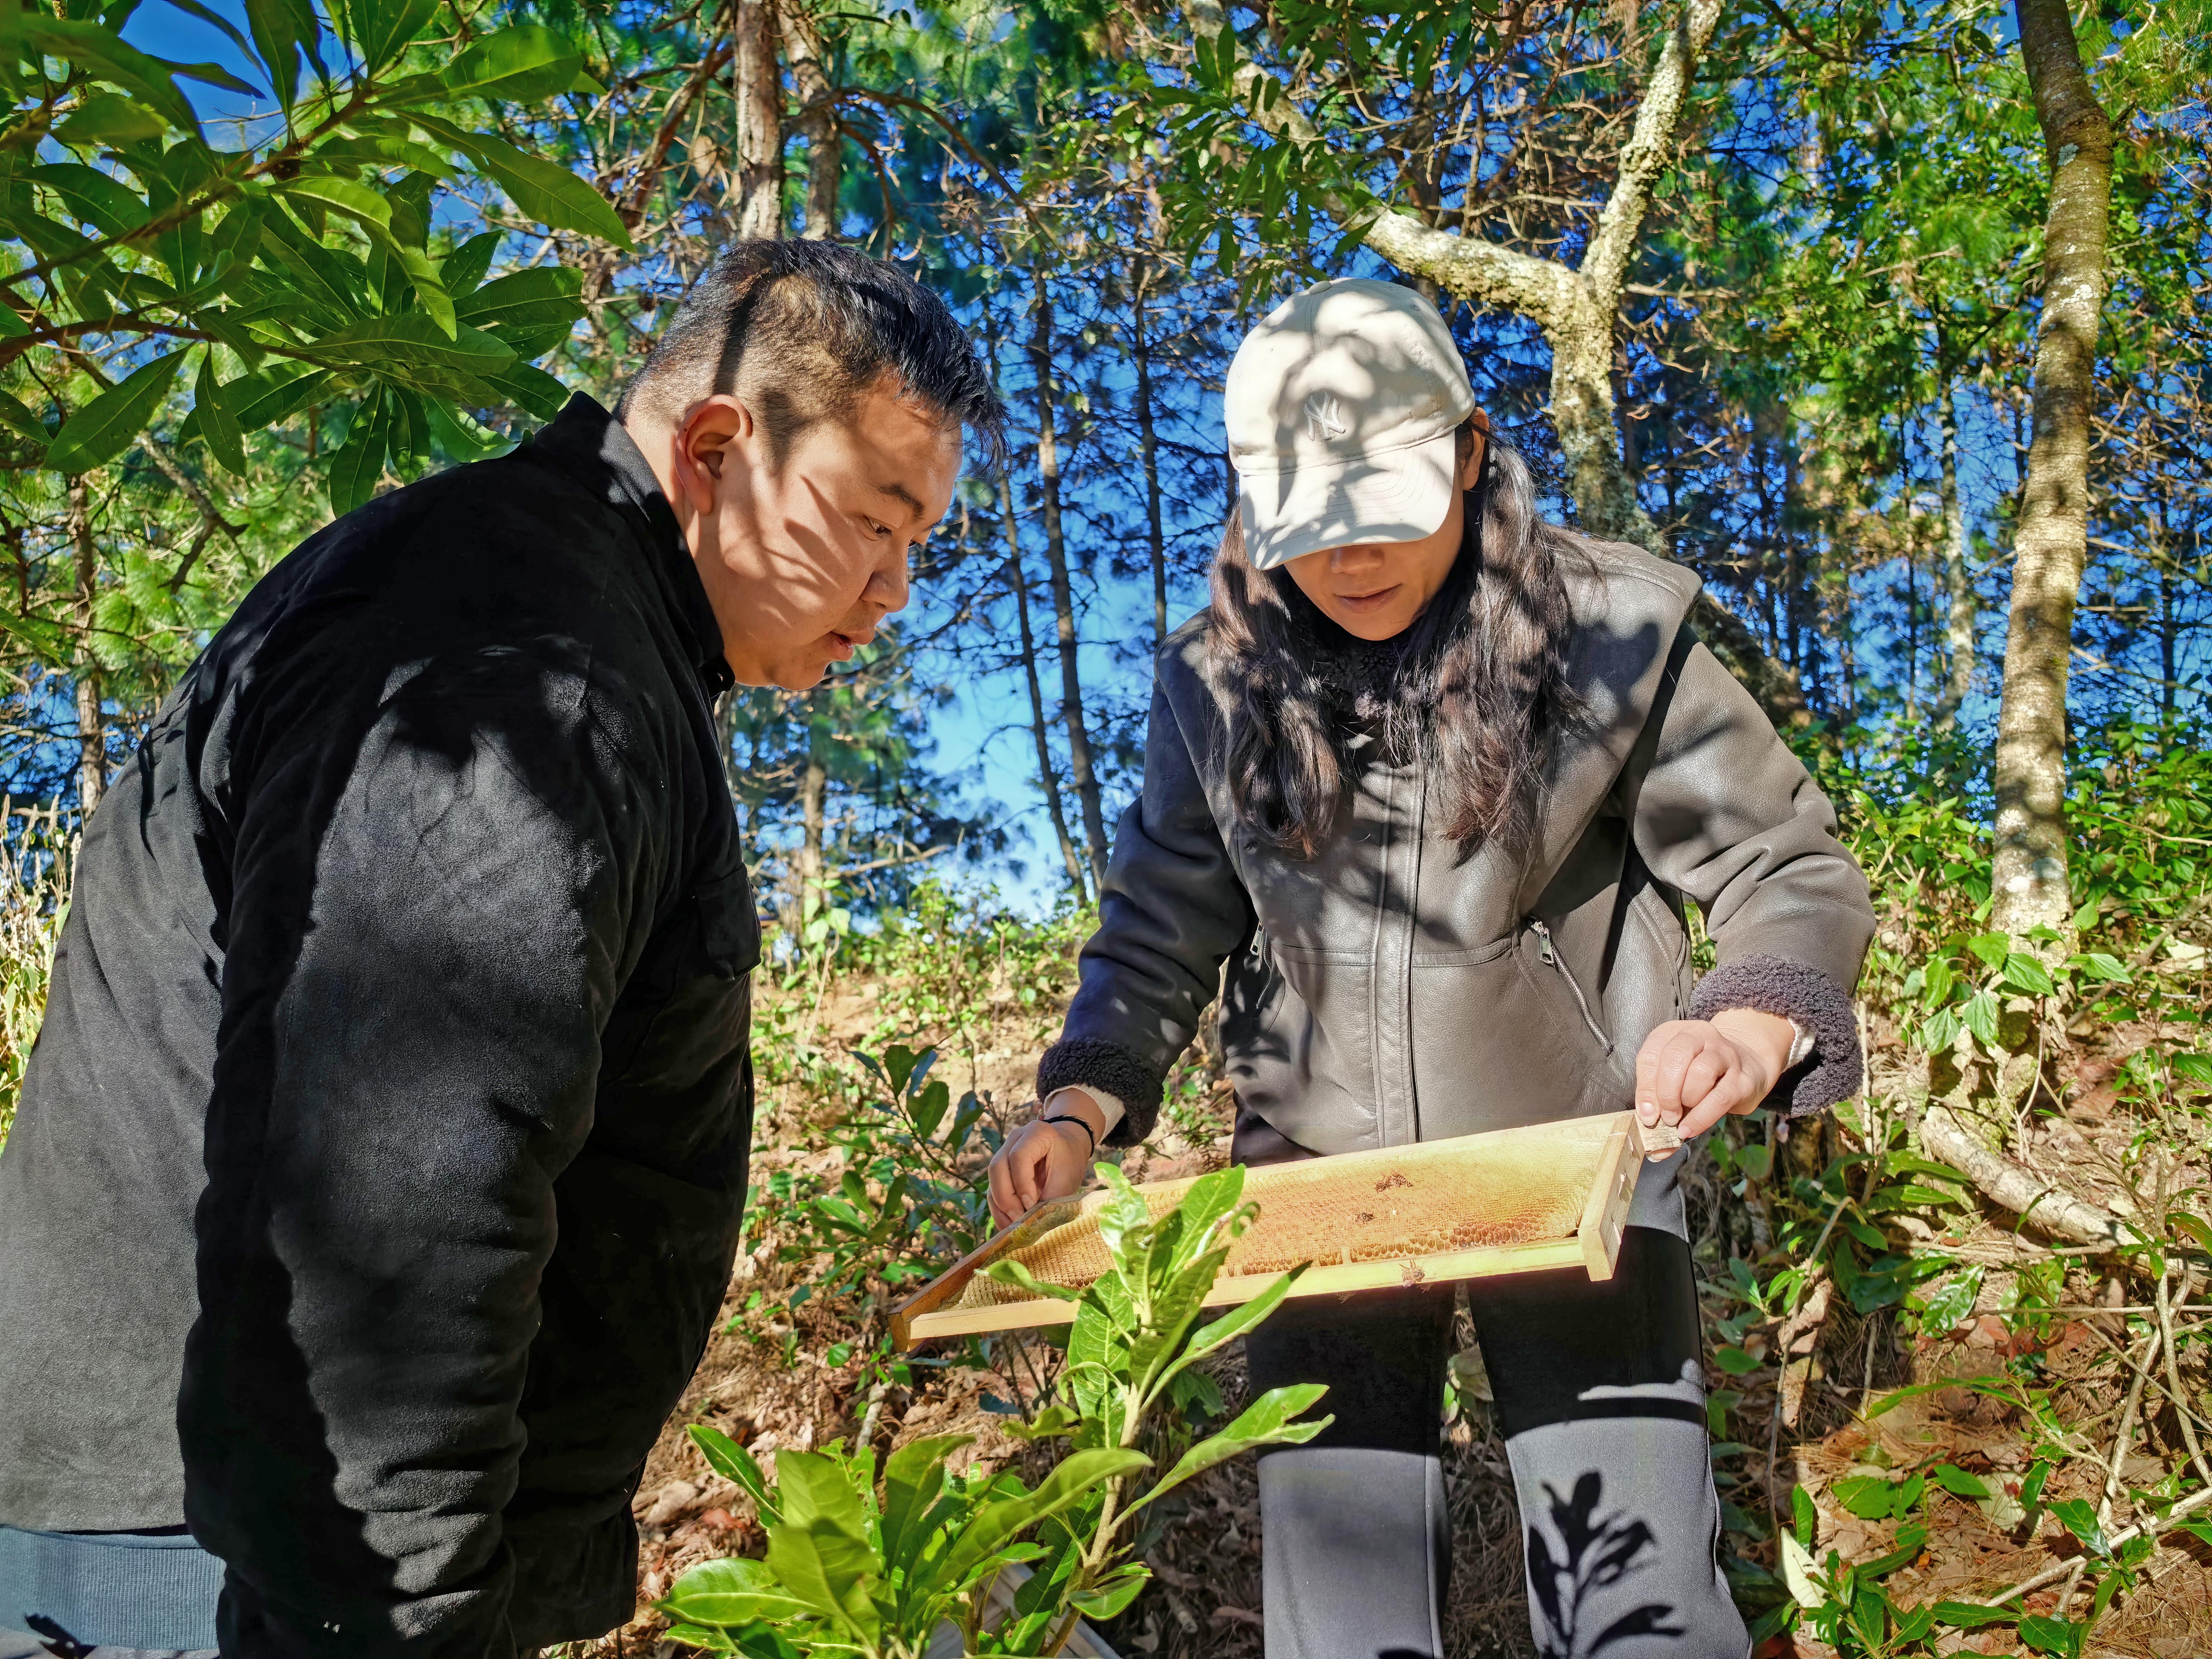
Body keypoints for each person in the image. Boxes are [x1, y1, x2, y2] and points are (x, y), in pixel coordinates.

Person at [0, 239, 1002, 1659]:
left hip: (257, 1548)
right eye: (874, 521)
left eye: (920, 546)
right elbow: (395, 1193)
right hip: (229, 1564)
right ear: (718, 447)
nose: (897, 589)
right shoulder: (527, 654)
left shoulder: (562, 614)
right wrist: (397, 1614)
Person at [988, 278, 1873, 1659]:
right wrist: (1080, 1103)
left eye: (1386, 511)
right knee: (1339, 1625)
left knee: (1632, 1607)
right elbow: (1160, 929)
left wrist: (1754, 1019)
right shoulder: (1211, 684)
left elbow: (1785, 867)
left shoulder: (1614, 632)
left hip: (1577, 1159)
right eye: (1310, 528)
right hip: (1315, 1190)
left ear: (1468, 456)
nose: (1349, 562)